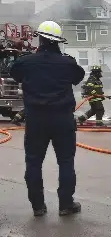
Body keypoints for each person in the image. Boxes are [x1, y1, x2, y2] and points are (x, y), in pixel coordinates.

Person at [9, 21, 85, 217]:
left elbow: (14, 73)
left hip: (35, 120)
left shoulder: (26, 62)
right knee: (66, 162)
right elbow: (78, 76)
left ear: (40, 38)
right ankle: (66, 205)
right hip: (62, 119)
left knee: (33, 163)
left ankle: (38, 207)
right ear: (58, 41)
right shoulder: (68, 62)